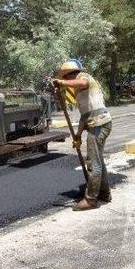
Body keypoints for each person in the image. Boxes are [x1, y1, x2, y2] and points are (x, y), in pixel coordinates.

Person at [54, 60, 112, 211]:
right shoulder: (80, 93)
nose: (66, 81)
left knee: (93, 163)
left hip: (99, 124)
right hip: (96, 123)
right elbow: (85, 115)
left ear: (69, 74)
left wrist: (61, 82)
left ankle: (91, 200)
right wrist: (78, 135)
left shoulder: (84, 77)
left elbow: (82, 82)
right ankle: (104, 193)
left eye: (65, 78)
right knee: (99, 161)